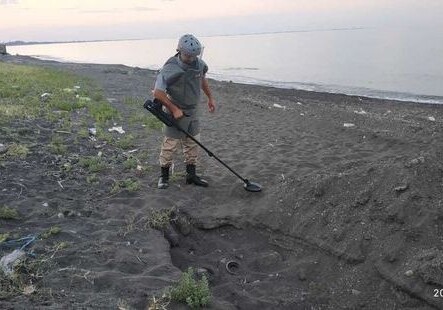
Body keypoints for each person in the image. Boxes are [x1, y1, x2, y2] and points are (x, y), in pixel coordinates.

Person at [153, 34, 216, 189]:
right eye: (188, 55)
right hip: (175, 112)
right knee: (170, 145)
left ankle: (191, 175)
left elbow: (202, 80)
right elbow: (157, 93)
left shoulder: (199, 64)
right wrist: (174, 109)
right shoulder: (169, 68)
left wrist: (210, 98)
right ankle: (164, 176)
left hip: (193, 111)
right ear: (179, 50)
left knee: (193, 144)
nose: (191, 59)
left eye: (194, 55)